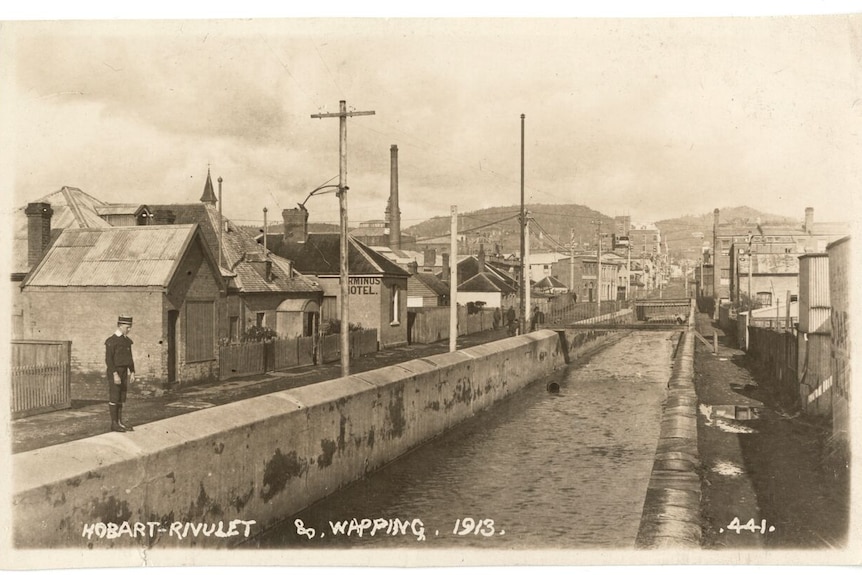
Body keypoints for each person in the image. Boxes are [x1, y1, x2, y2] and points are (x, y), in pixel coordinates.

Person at [105, 314, 136, 432]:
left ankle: (120, 422)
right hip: (115, 371)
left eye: (130, 327)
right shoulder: (111, 341)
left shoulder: (127, 341)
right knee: (114, 396)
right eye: (127, 327)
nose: (129, 329)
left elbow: (130, 357)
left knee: (122, 397)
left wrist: (132, 371)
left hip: (124, 372)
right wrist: (114, 374)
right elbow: (108, 360)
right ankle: (114, 424)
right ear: (120, 326)